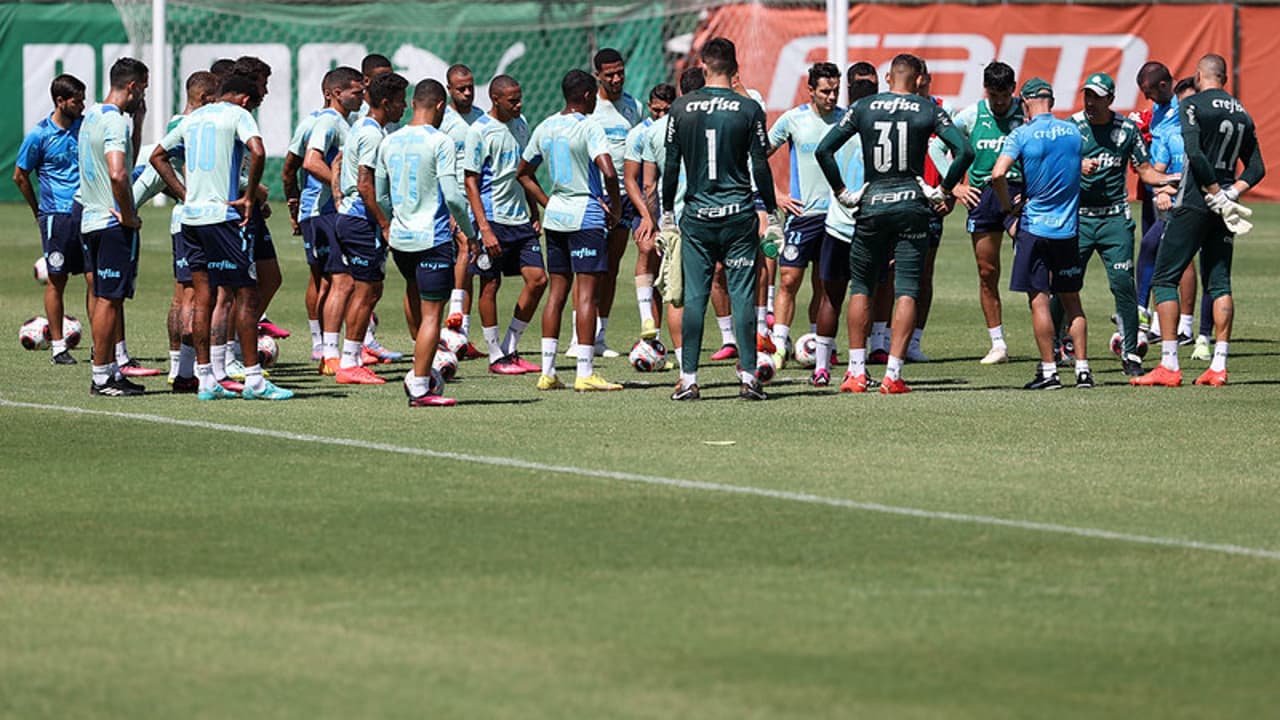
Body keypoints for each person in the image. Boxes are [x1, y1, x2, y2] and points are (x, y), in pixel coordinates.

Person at [816, 53, 973, 395]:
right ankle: (893, 375)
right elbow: (965, 151)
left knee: (861, 286)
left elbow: (823, 151)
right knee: (906, 288)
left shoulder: (863, 108)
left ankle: (856, 373)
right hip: (911, 203)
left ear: (888, 77)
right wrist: (943, 189)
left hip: (872, 203)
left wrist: (843, 192)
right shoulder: (928, 109)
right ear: (918, 81)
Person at [151, 68, 292, 400]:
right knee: (246, 295)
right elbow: (257, 151)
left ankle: (206, 380)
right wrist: (247, 197)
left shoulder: (193, 119)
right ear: (244, 99)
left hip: (192, 219)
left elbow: (157, 156)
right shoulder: (237, 115)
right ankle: (255, 380)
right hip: (223, 217)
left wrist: (184, 194)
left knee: (203, 298)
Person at [1133, 53, 1265, 387]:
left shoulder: (1191, 105)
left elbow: (1194, 152)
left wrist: (1212, 191)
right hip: (1222, 206)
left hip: (1194, 200)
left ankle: (1169, 365)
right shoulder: (1243, 113)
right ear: (1225, 78)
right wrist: (1230, 194)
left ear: (1198, 75)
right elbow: (1257, 167)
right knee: (1219, 282)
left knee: (1164, 278)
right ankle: (1218, 366)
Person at [663, 37, 779, 401]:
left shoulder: (680, 108)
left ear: (702, 64)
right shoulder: (748, 108)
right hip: (738, 214)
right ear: (735, 65)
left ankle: (689, 379)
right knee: (744, 295)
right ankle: (748, 377)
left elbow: (670, 167)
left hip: (696, 215)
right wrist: (772, 213)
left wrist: (667, 212)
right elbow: (760, 165)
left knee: (695, 296)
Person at [517, 69, 623, 392]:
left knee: (557, 294)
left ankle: (548, 372)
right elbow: (608, 170)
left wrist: (548, 202)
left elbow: (523, 172)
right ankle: (586, 372)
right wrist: (615, 208)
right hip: (585, 217)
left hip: (557, 218)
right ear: (589, 96)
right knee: (587, 296)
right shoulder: (590, 126)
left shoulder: (546, 126)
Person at [1070, 72, 1177, 376]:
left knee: (1122, 285)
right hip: (1078, 218)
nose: (1090, 102)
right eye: (1087, 95)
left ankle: (1130, 353)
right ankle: (1058, 344)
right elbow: (1053, 167)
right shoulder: (1072, 128)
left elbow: (1144, 171)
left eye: (1096, 97)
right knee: (1066, 284)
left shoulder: (1126, 129)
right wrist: (1076, 166)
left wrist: (1173, 180)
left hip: (1115, 218)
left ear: (1110, 100)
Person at [378, 78, 476, 406]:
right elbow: (453, 197)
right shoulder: (441, 141)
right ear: (439, 106)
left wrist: (391, 222)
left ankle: (422, 362)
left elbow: (379, 194)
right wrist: (469, 232)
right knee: (433, 314)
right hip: (431, 238)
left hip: (401, 239)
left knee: (413, 293)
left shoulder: (389, 141)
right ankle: (421, 385)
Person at [991, 78, 1089, 390]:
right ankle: (1083, 371)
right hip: (1068, 228)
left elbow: (997, 174)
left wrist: (1009, 208)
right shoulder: (1074, 132)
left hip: (1034, 228)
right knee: (1072, 301)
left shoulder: (1022, 134)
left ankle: (1049, 373)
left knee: (1039, 300)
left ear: (1027, 102)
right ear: (1051, 100)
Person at [463, 74, 547, 375]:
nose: (519, 103)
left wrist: (534, 211)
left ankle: (511, 346)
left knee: (538, 279)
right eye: (512, 100)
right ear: (495, 99)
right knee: (490, 284)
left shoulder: (521, 124)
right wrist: (483, 228)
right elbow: (470, 181)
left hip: (520, 220)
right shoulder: (480, 132)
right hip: (492, 220)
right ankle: (495, 354)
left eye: (520, 97)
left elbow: (525, 171)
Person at [332, 71, 409, 385]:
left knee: (368, 290)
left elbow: (340, 164)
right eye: (401, 102)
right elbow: (365, 184)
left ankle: (351, 356)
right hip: (361, 221)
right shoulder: (373, 134)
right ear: (387, 103)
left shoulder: (363, 126)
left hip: (353, 217)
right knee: (366, 291)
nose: (404, 108)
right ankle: (350, 362)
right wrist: (385, 223)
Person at [79, 58, 149, 397]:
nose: (143, 97)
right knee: (109, 299)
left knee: (106, 297)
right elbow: (119, 173)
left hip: (90, 217)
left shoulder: (91, 115)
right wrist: (128, 214)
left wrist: (139, 123)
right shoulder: (113, 122)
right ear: (133, 86)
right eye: (144, 89)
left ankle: (109, 371)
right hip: (111, 222)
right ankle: (102, 377)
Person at [766, 61, 842, 369]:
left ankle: (818, 344)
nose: (832, 97)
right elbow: (757, 156)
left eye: (836, 91)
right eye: (825, 91)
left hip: (836, 216)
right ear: (810, 90)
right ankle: (780, 346)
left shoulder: (846, 120)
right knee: (788, 279)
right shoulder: (792, 120)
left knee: (825, 283)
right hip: (803, 216)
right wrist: (777, 195)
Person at [287, 66, 364, 363]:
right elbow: (310, 161)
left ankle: (323, 346)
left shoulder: (344, 121)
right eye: (356, 92)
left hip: (320, 212)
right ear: (334, 94)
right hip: (324, 211)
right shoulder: (330, 122)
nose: (361, 97)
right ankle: (329, 350)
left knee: (327, 280)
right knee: (342, 281)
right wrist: (340, 188)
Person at [14, 74, 88, 366]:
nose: (82, 106)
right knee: (57, 279)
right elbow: (20, 175)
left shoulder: (86, 127)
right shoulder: (39, 135)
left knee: (96, 280)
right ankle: (58, 347)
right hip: (56, 216)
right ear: (60, 101)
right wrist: (38, 210)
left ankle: (103, 348)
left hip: (87, 211)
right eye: (77, 101)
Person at [953, 62, 1023, 365]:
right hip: (982, 197)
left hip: (1020, 192)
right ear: (986, 90)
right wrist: (954, 186)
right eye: (994, 95)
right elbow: (936, 149)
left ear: (1013, 88)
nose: (999, 101)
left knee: (1038, 266)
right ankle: (998, 344)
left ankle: (1056, 342)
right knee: (987, 272)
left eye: (1004, 95)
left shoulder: (1026, 113)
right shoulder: (970, 115)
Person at [640, 67, 706, 376]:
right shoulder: (711, 122)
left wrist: (655, 222)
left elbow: (650, 185)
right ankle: (742, 357)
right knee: (726, 287)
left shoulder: (654, 131)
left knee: (676, 294)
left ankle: (685, 368)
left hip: (676, 221)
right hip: (712, 215)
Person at [812, 76, 876, 387]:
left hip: (836, 224)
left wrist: (839, 191)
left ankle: (821, 369)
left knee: (830, 298)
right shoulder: (877, 132)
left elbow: (822, 154)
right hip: (868, 226)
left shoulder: (836, 130)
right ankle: (857, 367)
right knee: (862, 295)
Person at [581, 47, 644, 359]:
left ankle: (600, 336)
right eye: (610, 75)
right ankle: (580, 336)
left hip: (626, 198)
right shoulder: (589, 108)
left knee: (612, 266)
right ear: (598, 76)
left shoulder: (634, 106)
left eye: (620, 72)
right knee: (590, 268)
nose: (617, 79)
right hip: (596, 198)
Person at [440, 63, 487, 359]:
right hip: (448, 201)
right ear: (449, 90)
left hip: (477, 201)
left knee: (472, 266)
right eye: (461, 88)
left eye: (471, 87)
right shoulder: (441, 120)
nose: (468, 93)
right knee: (455, 260)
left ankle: (461, 335)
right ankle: (450, 321)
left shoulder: (482, 120)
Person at [623, 83, 674, 345]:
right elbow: (632, 180)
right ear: (649, 107)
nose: (660, 115)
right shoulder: (638, 134)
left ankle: (660, 340)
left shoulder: (680, 129)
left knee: (672, 271)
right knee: (647, 249)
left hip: (676, 208)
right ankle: (647, 321)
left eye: (666, 110)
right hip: (647, 209)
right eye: (656, 110)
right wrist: (647, 215)